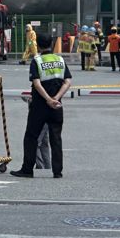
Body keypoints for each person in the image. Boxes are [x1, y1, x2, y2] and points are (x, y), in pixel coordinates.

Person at [10, 33, 72, 179]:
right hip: (57, 105)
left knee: (31, 136)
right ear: (52, 44)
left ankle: (27, 169)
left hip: (40, 105)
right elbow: (68, 81)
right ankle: (57, 171)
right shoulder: (60, 60)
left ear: (38, 44)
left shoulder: (37, 61)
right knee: (56, 138)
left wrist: (47, 99)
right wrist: (56, 98)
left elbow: (36, 83)